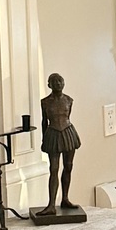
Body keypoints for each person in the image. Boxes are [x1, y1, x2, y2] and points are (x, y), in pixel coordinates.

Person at [37, 72, 84, 220]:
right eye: (54, 81)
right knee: (54, 169)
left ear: (63, 83)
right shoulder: (45, 102)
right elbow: (44, 121)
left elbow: (67, 117)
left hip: (68, 133)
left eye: (60, 81)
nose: (58, 84)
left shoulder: (69, 100)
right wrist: (44, 138)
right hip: (53, 134)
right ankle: (51, 205)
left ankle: (65, 198)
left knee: (68, 166)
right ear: (49, 85)